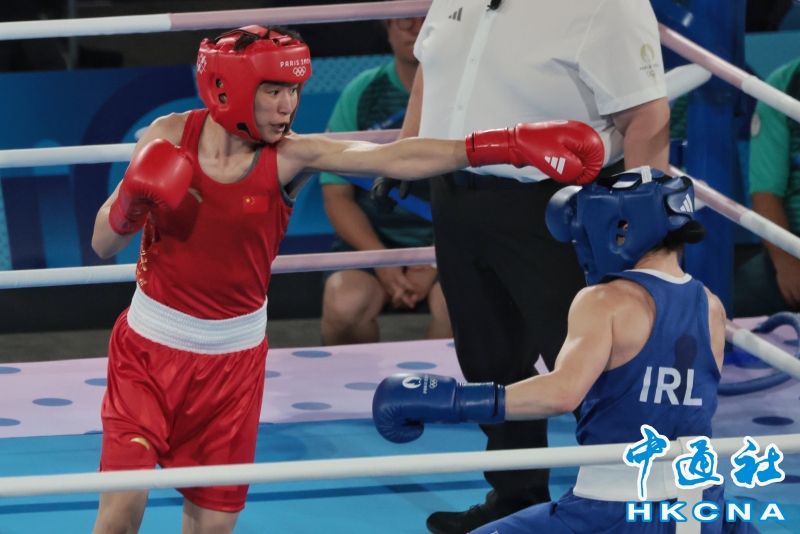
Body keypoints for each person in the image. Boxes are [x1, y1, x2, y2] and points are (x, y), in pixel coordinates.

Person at [88, 25, 605, 534]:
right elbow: (101, 244)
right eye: (273, 91)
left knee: (211, 529)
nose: (288, 107)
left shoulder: (290, 155)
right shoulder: (167, 137)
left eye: (294, 91)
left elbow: (391, 157)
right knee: (119, 517)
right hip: (149, 354)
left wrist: (503, 146)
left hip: (232, 367)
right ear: (228, 89)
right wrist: (130, 206)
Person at [373, 1, 672, 531]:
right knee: (488, 358)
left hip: (559, 205)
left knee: (591, 365)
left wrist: (642, 222)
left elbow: (646, 114)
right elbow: (432, 70)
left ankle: (631, 506)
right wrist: (405, 149)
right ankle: (515, 499)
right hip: (456, 196)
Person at [373, 168, 757, 534]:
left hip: (611, 510)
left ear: (622, 228)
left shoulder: (604, 300)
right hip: (701, 510)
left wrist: (454, 402)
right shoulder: (711, 307)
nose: (581, 242)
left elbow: (562, 393)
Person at [319, 8, 451, 345]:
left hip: (453, 244)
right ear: (387, 24)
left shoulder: (464, 97)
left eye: (425, 17)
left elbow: (487, 194)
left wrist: (434, 261)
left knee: (462, 309)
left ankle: (432, 383)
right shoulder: (362, 92)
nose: (416, 29)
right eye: (405, 18)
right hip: (372, 243)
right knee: (344, 304)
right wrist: (380, 259)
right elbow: (336, 195)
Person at [735, 56, 800, 317]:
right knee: (728, 308)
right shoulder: (781, 86)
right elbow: (765, 193)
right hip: (794, 245)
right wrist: (786, 262)